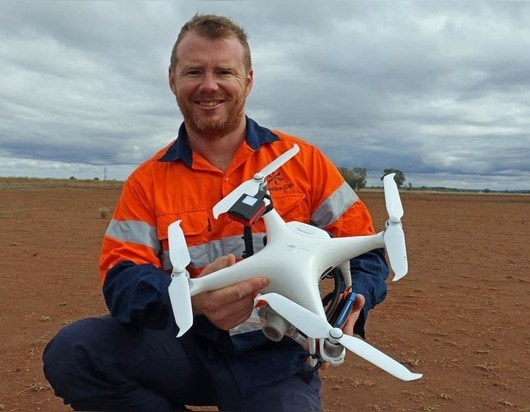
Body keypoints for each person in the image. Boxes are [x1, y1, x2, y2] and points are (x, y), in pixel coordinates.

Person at [42, 13, 389, 412]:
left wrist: (354, 300)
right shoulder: (147, 181)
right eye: (194, 72)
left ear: (248, 80)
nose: (209, 86)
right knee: (75, 352)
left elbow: (365, 250)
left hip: (274, 358)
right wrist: (196, 300)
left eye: (224, 71)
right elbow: (123, 281)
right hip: (184, 346)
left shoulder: (303, 163)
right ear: (172, 79)